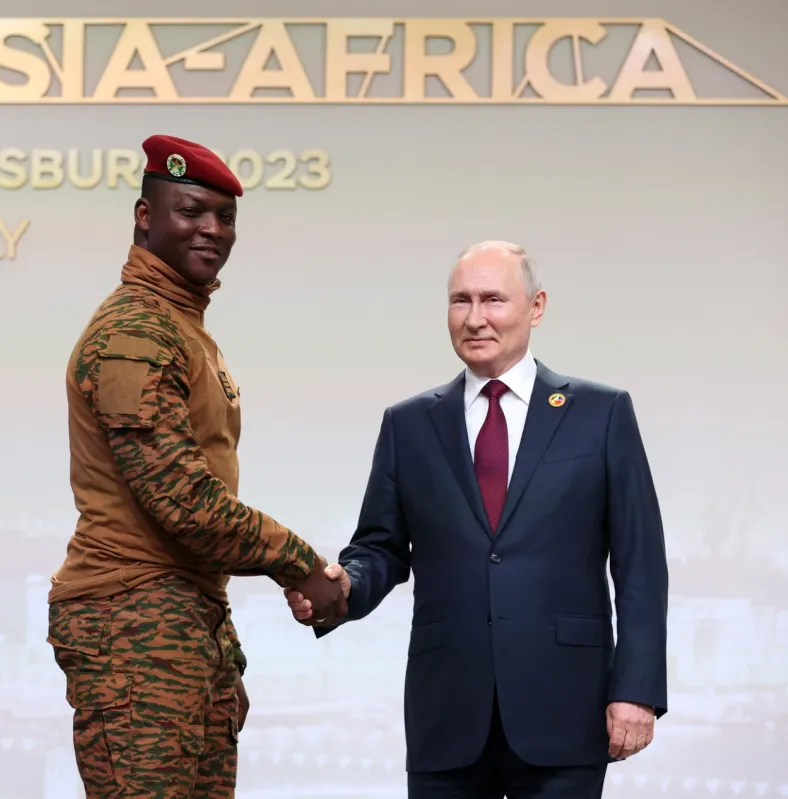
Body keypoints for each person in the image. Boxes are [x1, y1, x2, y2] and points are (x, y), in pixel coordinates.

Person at [285, 241, 668, 798]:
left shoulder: (601, 414)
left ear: (536, 307)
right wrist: (341, 590)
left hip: (565, 710)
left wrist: (636, 690)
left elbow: (641, 567)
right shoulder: (409, 424)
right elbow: (380, 549)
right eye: (460, 301)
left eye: (493, 299)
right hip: (448, 716)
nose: (475, 318)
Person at [47, 134, 345, 799]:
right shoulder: (136, 334)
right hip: (134, 619)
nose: (211, 229)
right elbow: (182, 501)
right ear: (144, 217)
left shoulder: (178, 326)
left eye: (224, 216)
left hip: (182, 616)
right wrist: (298, 562)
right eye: (190, 210)